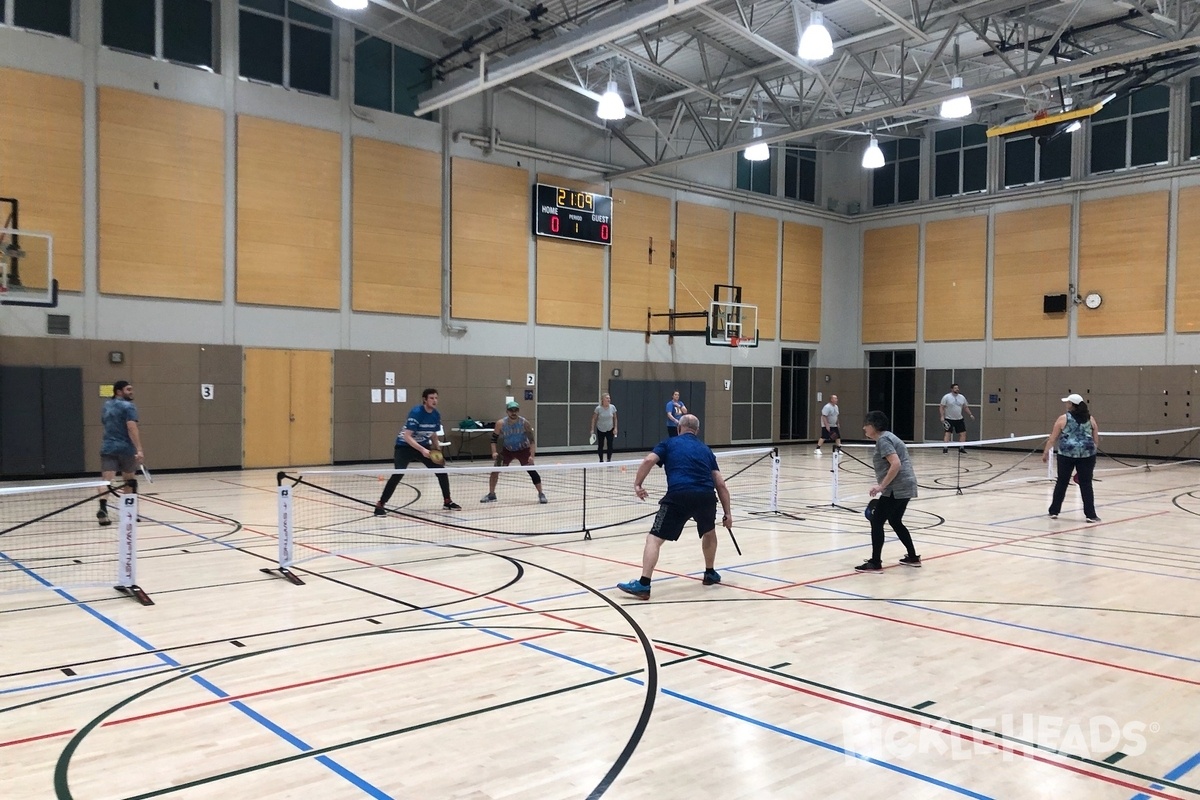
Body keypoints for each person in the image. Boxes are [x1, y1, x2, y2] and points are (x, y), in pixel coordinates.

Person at [617, 414, 733, 600]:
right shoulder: (705, 450)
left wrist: (638, 484)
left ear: (679, 428)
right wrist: (728, 514)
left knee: (654, 539)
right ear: (697, 430)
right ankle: (710, 573)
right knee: (709, 532)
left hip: (679, 495)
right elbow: (720, 484)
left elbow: (648, 460)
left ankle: (644, 584)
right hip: (705, 497)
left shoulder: (669, 444)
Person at [375, 388, 461, 514]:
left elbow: (433, 434)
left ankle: (447, 501)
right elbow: (407, 436)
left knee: (442, 471)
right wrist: (422, 450)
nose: (434, 400)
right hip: (404, 447)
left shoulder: (436, 414)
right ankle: (380, 504)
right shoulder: (416, 413)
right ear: (425, 400)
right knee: (398, 473)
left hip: (424, 446)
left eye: (436, 398)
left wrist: (437, 450)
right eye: (431, 398)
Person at [856, 410, 921, 572]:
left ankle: (875, 562)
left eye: (866, 425)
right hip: (906, 486)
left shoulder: (883, 440)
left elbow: (896, 463)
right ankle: (912, 556)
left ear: (873, 426)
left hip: (896, 489)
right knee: (895, 520)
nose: (864, 428)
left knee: (877, 521)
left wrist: (881, 486)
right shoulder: (888, 437)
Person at [1042, 393, 1100, 523]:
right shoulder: (1090, 419)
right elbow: (1095, 438)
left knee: (1062, 482)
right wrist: (1092, 451)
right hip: (1087, 455)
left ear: (1072, 405)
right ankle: (1091, 515)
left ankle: (1054, 511)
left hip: (1066, 455)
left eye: (1068, 402)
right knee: (1086, 484)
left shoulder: (1063, 419)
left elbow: (1053, 437)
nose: (1066, 404)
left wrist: (1046, 452)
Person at [481, 401, 546, 504]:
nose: (513, 412)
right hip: (508, 450)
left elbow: (532, 441)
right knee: (495, 471)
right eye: (511, 410)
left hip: (523, 450)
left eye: (515, 410)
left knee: (532, 471)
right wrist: (494, 452)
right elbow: (493, 440)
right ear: (507, 411)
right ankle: (491, 494)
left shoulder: (524, 423)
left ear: (518, 411)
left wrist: (531, 456)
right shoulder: (500, 423)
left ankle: (541, 494)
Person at [97, 380, 143, 527]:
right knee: (129, 480)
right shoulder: (129, 407)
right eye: (128, 389)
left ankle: (103, 510)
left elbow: (105, 422)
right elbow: (131, 427)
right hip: (125, 449)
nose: (131, 392)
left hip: (108, 447)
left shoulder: (106, 405)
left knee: (106, 480)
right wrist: (139, 449)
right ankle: (129, 513)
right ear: (118, 391)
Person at [939, 383, 975, 454]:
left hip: (959, 419)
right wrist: (942, 416)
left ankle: (961, 448)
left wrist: (970, 414)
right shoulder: (946, 397)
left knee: (963, 433)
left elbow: (965, 407)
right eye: (955, 388)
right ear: (952, 389)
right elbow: (941, 407)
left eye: (957, 388)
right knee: (948, 433)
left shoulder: (962, 397)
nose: (957, 389)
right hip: (949, 419)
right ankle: (945, 448)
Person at [590, 393, 619, 462]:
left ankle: (609, 459)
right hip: (600, 429)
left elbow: (615, 418)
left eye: (609, 398)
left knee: (610, 445)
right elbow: (593, 419)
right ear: (603, 400)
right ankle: (601, 460)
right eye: (607, 398)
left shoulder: (612, 407)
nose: (609, 399)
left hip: (610, 429)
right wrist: (592, 429)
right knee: (600, 445)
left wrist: (615, 428)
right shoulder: (598, 408)